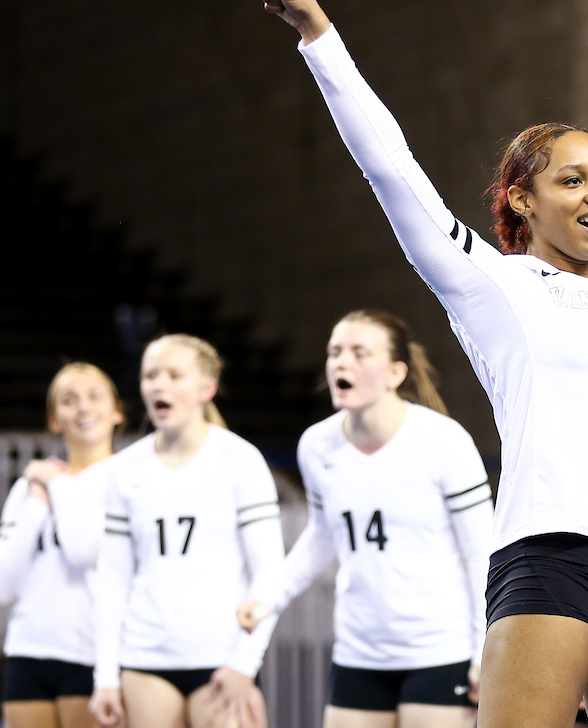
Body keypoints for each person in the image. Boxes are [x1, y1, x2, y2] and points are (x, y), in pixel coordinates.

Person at [252, 0, 588, 728]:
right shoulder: (495, 285)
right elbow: (391, 170)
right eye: (573, 180)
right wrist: (317, 35)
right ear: (523, 198)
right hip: (553, 560)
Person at [236, 310, 492, 728]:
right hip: (358, 652)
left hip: (438, 652)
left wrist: (485, 653)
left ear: (394, 373)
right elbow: (323, 533)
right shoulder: (317, 445)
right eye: (335, 352)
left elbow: (482, 552)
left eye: (359, 353)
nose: (342, 362)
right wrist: (269, 599)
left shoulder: (443, 441)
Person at [88, 335, 284, 728]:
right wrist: (105, 677)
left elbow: (271, 573)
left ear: (206, 388)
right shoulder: (125, 470)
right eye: (150, 376)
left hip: (221, 658)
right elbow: (112, 579)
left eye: (175, 375)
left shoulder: (239, 460)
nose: (159, 385)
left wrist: (245, 663)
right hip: (145, 662)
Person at [0, 363, 125, 728]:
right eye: (69, 400)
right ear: (54, 419)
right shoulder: (30, 486)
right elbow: (4, 584)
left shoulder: (126, 480)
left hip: (93, 654)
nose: (83, 408)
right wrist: (37, 505)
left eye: (94, 397)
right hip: (28, 650)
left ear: (117, 410)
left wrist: (58, 485)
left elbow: (83, 549)